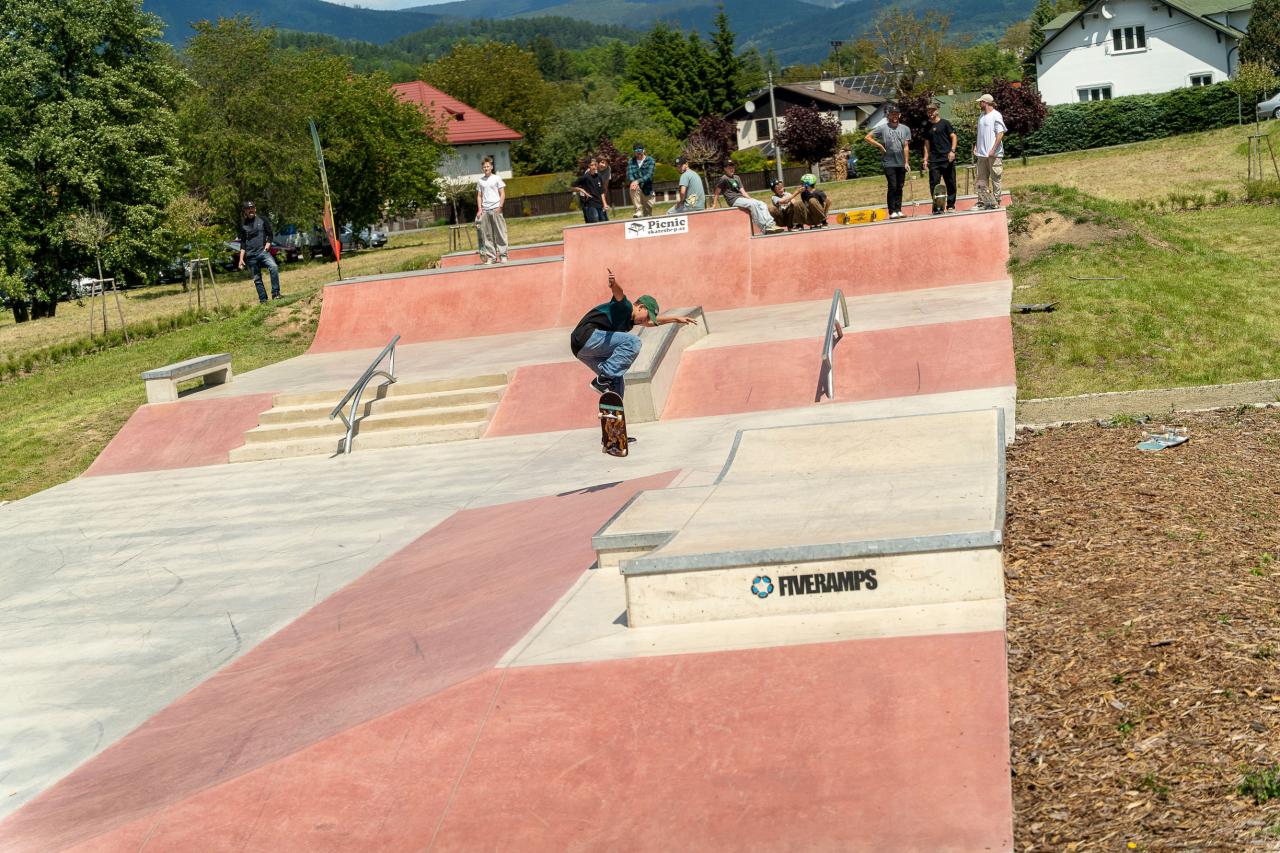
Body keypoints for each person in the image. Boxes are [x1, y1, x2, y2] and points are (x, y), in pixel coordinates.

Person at [571, 271, 698, 397]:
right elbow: (619, 294)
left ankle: (614, 405)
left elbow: (651, 323)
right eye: (647, 316)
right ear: (641, 307)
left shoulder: (631, 321)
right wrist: (614, 284)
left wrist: (675, 319)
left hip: (581, 351)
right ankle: (601, 381)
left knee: (616, 376)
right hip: (586, 336)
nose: (645, 321)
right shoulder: (625, 307)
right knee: (633, 341)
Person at [865, 104, 912, 219]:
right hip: (889, 162)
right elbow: (867, 137)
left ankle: (898, 209)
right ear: (888, 115)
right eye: (892, 114)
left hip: (901, 162)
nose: (894, 116)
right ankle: (892, 211)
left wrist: (906, 162)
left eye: (896, 114)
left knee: (900, 186)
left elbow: (906, 146)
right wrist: (880, 146)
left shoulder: (905, 129)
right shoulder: (883, 128)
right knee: (893, 186)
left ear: (899, 115)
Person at [712, 161, 783, 234]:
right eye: (729, 168)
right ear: (725, 169)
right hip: (733, 200)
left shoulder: (737, 177)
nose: (732, 169)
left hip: (741, 198)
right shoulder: (724, 178)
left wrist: (750, 198)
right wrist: (714, 205)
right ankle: (764, 227)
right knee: (753, 204)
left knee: (762, 204)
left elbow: (743, 191)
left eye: (733, 168)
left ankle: (771, 224)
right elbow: (717, 192)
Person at [237, 201, 280, 303]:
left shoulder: (263, 220)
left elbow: (270, 235)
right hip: (251, 256)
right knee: (257, 278)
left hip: (263, 252)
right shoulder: (243, 225)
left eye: (252, 208)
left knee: (274, 267)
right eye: (248, 208)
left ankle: (276, 294)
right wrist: (241, 259)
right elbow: (243, 243)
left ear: (255, 209)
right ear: (245, 211)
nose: (250, 210)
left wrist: (266, 248)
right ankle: (263, 300)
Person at [922, 103, 958, 214]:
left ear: (937, 111)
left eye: (932, 110)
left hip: (947, 158)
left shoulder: (945, 123)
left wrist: (952, 151)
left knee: (950, 182)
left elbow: (954, 136)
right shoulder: (927, 126)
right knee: (934, 185)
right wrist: (925, 159)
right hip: (934, 160)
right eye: (929, 111)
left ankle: (951, 205)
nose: (930, 113)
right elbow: (926, 144)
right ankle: (937, 207)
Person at [973, 93, 1006, 210]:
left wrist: (993, 149)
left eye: (980, 102)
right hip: (982, 154)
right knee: (981, 179)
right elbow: (980, 133)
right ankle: (983, 201)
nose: (979, 104)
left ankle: (996, 201)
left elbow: (1000, 133)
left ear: (985, 102)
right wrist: (976, 145)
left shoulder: (996, 115)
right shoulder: (981, 116)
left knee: (995, 178)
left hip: (994, 154)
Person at [476, 155, 508, 263]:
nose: (486, 168)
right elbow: (479, 196)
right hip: (485, 210)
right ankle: (492, 257)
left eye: (488, 166)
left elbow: (502, 193)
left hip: (496, 209)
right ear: (482, 168)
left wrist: (500, 206)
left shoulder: (497, 178)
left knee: (500, 233)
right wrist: (480, 209)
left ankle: (503, 255)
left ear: (491, 167)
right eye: (484, 167)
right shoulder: (480, 181)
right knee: (488, 235)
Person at [572, 157, 610, 224]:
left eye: (595, 165)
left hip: (600, 204)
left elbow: (602, 192)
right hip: (591, 204)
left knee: (604, 221)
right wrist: (582, 190)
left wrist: (605, 204)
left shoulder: (599, 176)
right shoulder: (585, 177)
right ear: (589, 166)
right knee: (595, 221)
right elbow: (572, 187)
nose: (594, 167)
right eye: (592, 165)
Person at [627, 143, 655, 218]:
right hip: (637, 188)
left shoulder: (650, 160)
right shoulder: (631, 161)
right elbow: (629, 174)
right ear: (634, 152)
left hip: (648, 190)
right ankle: (638, 210)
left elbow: (649, 175)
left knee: (648, 214)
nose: (638, 152)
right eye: (636, 151)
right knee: (633, 186)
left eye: (640, 150)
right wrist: (634, 182)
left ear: (643, 150)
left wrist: (637, 181)